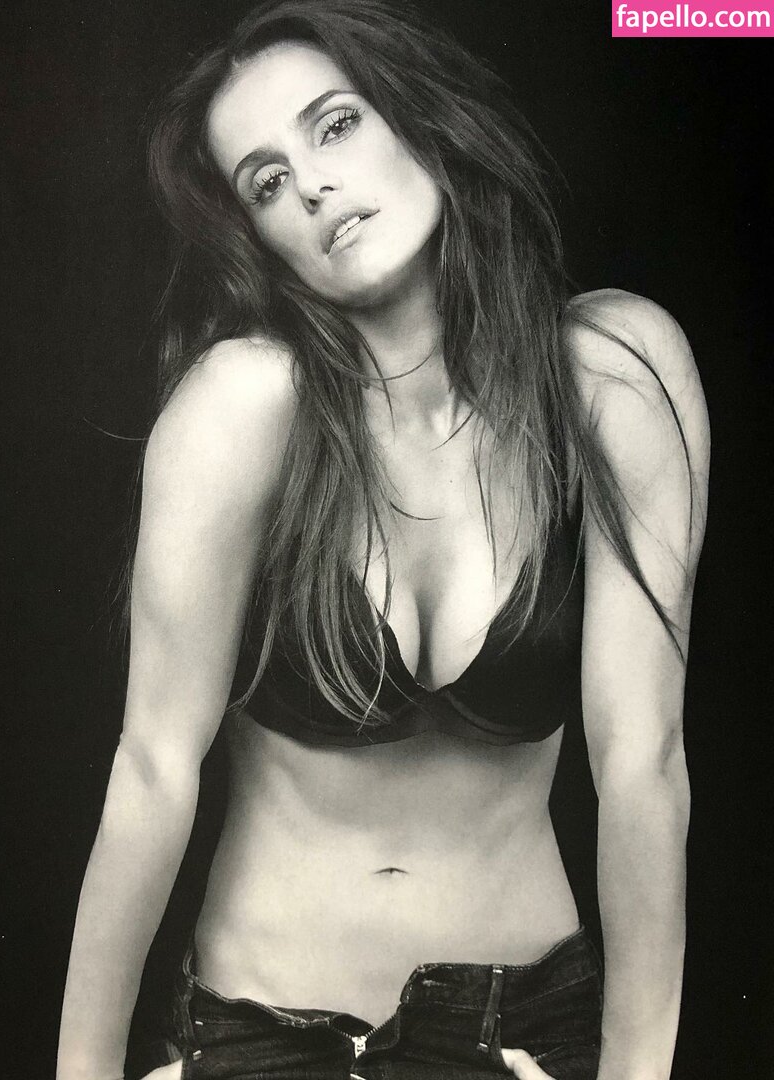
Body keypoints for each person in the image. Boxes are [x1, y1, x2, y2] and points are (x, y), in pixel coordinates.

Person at [56, 1, 709, 1078]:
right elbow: (153, 768)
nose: (311, 185)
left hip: (525, 1035)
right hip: (263, 1038)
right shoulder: (247, 406)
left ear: (421, 119)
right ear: (258, 236)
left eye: (335, 125)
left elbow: (645, 763)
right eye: (267, 182)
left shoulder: (611, 376)